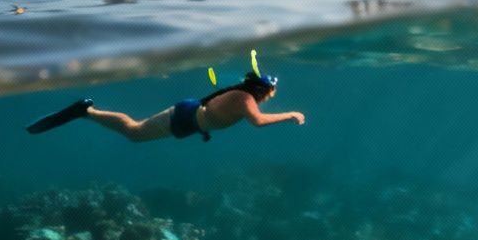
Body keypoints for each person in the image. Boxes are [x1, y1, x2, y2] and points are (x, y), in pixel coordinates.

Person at [25, 69, 305, 142]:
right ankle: (87, 111)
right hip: (187, 117)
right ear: (264, 90)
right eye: (272, 92)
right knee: (134, 132)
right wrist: (290, 115)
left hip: (189, 119)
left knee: (135, 134)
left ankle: (87, 113)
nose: (272, 96)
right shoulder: (245, 98)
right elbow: (257, 121)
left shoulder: (242, 96)